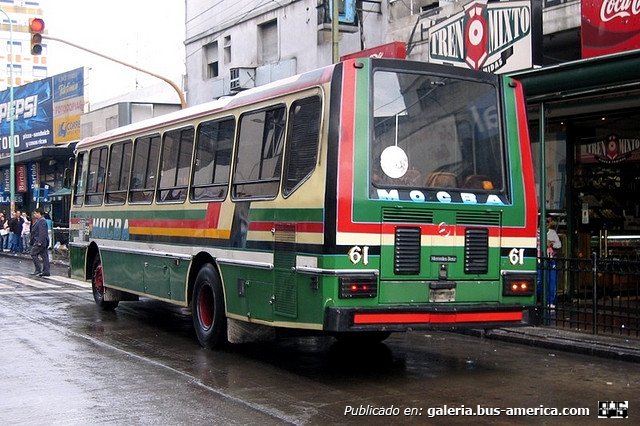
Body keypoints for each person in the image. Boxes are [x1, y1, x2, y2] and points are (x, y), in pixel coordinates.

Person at [29, 208, 50, 277]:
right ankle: (46, 271)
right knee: (44, 256)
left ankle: (38, 269)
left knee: (33, 253)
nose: (34, 215)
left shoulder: (41, 221)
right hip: (42, 241)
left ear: (39, 213)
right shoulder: (40, 221)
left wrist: (40, 241)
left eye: (35, 213)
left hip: (40, 241)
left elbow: (42, 233)